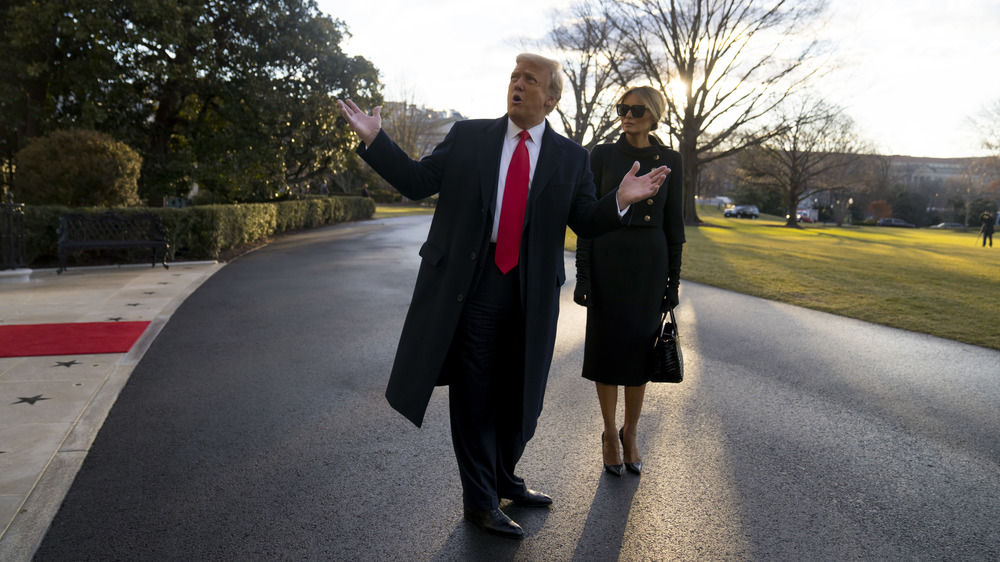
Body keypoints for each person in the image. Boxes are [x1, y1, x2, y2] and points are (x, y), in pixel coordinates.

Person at [337, 54, 669, 539]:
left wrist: (619, 200)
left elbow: (586, 220)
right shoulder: (469, 136)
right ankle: (480, 501)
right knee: (474, 395)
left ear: (550, 98)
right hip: (473, 285)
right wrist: (376, 140)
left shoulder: (569, 157)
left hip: (531, 292)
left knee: (522, 396)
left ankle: (503, 477)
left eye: (529, 80)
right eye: (513, 78)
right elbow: (416, 182)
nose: (517, 85)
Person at [574, 86, 684, 477]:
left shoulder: (670, 159)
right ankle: (608, 433)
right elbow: (587, 219)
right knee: (606, 350)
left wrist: (673, 283)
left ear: (653, 114)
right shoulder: (602, 154)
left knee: (641, 352)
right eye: (622, 108)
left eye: (637, 109)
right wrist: (583, 275)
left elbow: (675, 226)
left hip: (649, 265)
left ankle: (631, 433)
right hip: (608, 257)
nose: (628, 114)